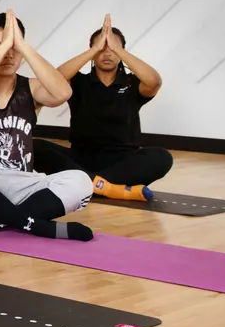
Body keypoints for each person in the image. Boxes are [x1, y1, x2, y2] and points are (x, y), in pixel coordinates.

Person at [0, 10, 94, 240]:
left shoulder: (32, 90)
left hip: (24, 187)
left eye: (14, 48)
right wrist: (6, 46)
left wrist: (22, 46)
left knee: (81, 182)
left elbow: (63, 92)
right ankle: (40, 227)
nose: (8, 55)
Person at [33, 14, 171, 201]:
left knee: (162, 157)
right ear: (92, 52)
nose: (107, 53)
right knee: (32, 145)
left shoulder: (132, 83)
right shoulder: (79, 82)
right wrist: (95, 49)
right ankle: (110, 188)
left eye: (113, 49)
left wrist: (118, 50)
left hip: (123, 161)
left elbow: (154, 82)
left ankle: (89, 184)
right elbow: (54, 79)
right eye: (101, 49)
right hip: (80, 158)